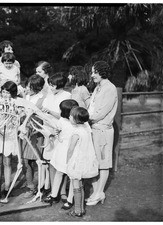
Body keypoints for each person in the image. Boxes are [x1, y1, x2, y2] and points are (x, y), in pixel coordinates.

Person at [86, 61, 118, 206]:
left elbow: (101, 112)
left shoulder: (109, 88)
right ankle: (96, 192)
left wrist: (86, 118)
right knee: (95, 161)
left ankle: (99, 193)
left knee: (103, 163)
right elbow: (92, 107)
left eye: (95, 72)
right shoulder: (99, 87)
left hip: (103, 130)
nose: (92, 75)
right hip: (94, 128)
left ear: (102, 72)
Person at [41, 72, 72, 202]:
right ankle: (54, 190)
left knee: (61, 163)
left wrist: (50, 112)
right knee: (50, 163)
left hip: (60, 131)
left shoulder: (67, 96)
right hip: (48, 130)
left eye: (53, 85)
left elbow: (65, 116)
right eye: (50, 85)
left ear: (60, 85)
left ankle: (62, 191)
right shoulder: (48, 95)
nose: (51, 87)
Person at [44, 99, 79, 205]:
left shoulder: (78, 123)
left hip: (73, 151)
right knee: (59, 172)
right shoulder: (62, 121)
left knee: (72, 175)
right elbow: (58, 132)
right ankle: (54, 195)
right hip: (62, 151)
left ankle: (70, 199)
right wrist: (56, 133)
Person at [66, 107, 99, 217]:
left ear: (75, 119)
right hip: (84, 160)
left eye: (70, 116)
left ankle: (77, 210)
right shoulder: (86, 128)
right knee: (80, 186)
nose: (69, 117)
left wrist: (68, 160)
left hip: (76, 162)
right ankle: (81, 209)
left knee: (76, 187)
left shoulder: (76, 132)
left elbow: (71, 148)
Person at [21, 75, 46, 198]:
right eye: (27, 86)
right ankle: (30, 186)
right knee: (25, 160)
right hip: (26, 132)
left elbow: (42, 118)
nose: (27, 88)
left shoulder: (43, 98)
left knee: (38, 160)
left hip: (37, 133)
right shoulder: (26, 97)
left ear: (37, 88)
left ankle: (42, 186)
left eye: (30, 87)